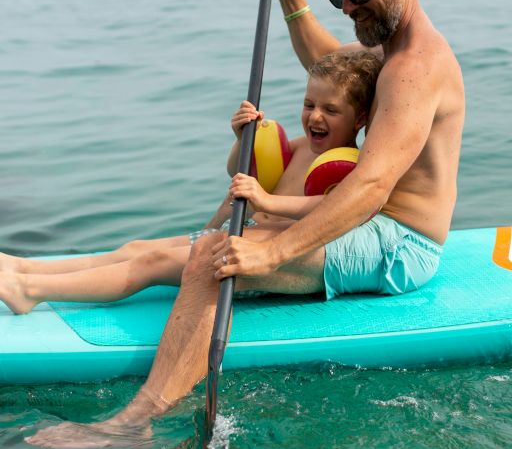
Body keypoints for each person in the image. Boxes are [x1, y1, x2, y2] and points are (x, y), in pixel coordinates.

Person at [26, 0, 465, 449]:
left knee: (217, 258)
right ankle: (30, 279)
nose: (348, 5)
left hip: (398, 244)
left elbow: (370, 188)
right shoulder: (388, 49)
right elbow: (328, 61)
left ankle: (134, 422)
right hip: (370, 227)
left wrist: (270, 255)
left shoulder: (414, 69)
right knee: (201, 247)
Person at [1, 50, 379, 316]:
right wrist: (241, 138)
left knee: (151, 262)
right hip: (238, 231)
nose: (315, 116)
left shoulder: (349, 168)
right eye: (309, 103)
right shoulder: (298, 149)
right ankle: (24, 269)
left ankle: (31, 292)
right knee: (135, 247)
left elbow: (334, 210)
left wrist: (266, 201)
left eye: (331, 110)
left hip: (264, 258)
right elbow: (238, 171)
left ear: (359, 118)